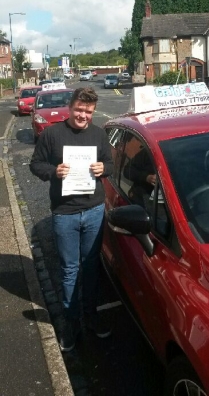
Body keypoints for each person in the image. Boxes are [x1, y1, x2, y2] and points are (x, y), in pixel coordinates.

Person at [30, 87, 113, 352]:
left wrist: (104, 169)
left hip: (94, 210)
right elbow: (35, 165)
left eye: (88, 111)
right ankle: (70, 321)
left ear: (93, 111)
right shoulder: (53, 134)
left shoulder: (99, 134)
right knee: (68, 270)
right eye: (79, 109)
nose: (83, 115)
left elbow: (110, 164)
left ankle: (90, 315)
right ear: (70, 107)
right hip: (64, 213)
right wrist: (54, 171)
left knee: (90, 267)